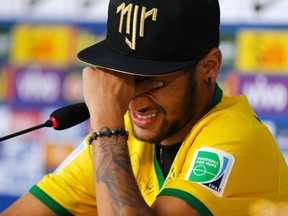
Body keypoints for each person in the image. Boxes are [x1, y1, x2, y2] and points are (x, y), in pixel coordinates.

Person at [2, 0, 288, 215]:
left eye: (151, 81)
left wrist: (104, 125)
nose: (134, 100)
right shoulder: (122, 133)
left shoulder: (238, 136)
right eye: (122, 78)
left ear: (209, 67)